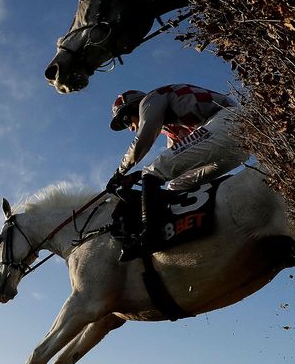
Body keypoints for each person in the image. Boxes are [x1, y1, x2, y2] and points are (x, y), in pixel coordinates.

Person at [106, 84, 249, 261]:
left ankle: (149, 236)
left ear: (133, 106)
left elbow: (144, 137)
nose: (130, 128)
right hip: (239, 145)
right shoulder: (171, 128)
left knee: (153, 170)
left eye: (127, 121)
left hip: (228, 122)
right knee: (176, 184)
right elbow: (177, 161)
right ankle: (190, 226)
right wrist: (136, 176)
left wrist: (119, 173)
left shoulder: (150, 100)